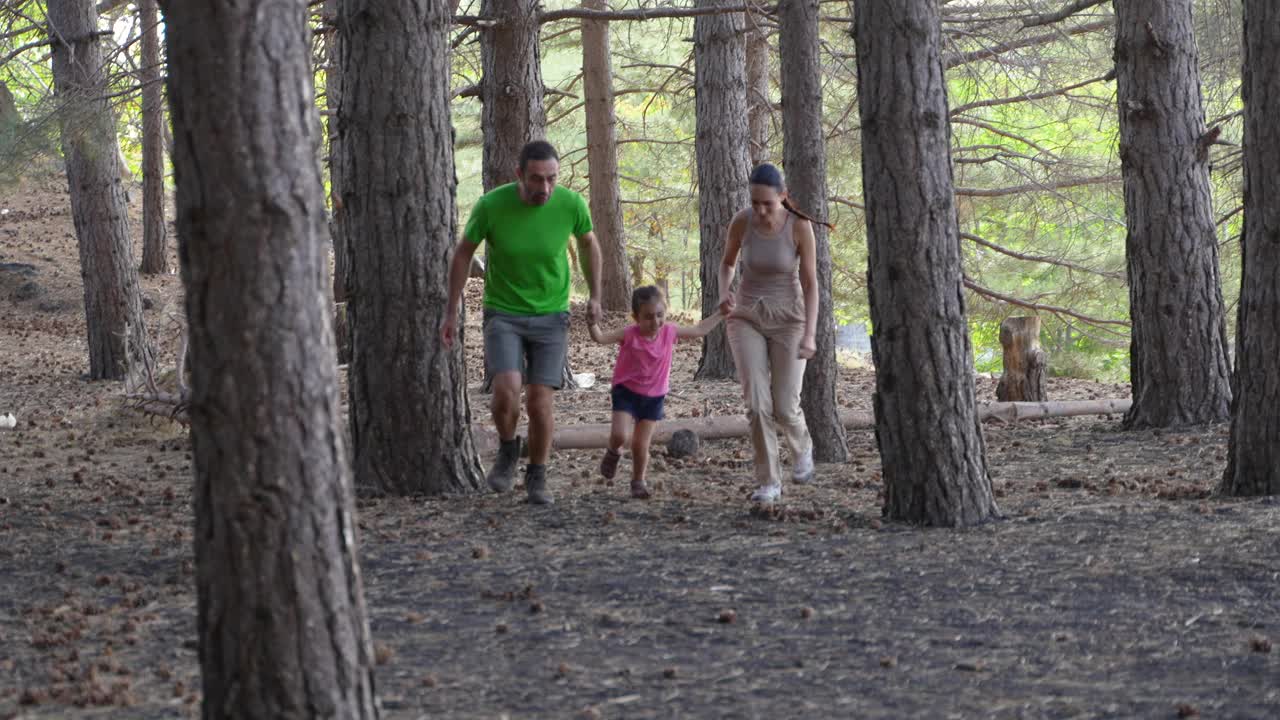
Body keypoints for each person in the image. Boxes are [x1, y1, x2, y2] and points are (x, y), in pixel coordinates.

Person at [442, 141, 602, 505]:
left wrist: (595, 295)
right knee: (505, 393)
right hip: (504, 312)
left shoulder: (570, 204)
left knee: (540, 402)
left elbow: (590, 243)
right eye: (536, 179)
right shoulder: (492, 206)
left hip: (551, 315)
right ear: (519, 175)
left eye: (551, 179)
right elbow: (464, 251)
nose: (545, 188)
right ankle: (508, 448)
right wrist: (452, 309)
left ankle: (538, 473)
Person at [718, 163, 828, 504]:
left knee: (784, 405)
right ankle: (769, 482)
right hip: (746, 316)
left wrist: (810, 334)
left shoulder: (799, 226)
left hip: (790, 320)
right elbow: (727, 264)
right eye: (755, 203)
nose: (761, 210)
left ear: (783, 197)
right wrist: (725, 292)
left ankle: (802, 446)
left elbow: (810, 284)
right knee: (756, 403)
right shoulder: (742, 221)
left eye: (767, 203)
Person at [588, 286, 722, 499]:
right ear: (636, 317)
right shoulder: (629, 334)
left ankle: (638, 481)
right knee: (620, 435)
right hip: (626, 392)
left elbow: (699, 330)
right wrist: (592, 322)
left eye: (660, 315)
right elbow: (601, 338)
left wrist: (721, 313)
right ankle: (613, 452)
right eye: (648, 317)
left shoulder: (669, 331)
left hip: (654, 396)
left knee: (641, 444)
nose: (655, 322)